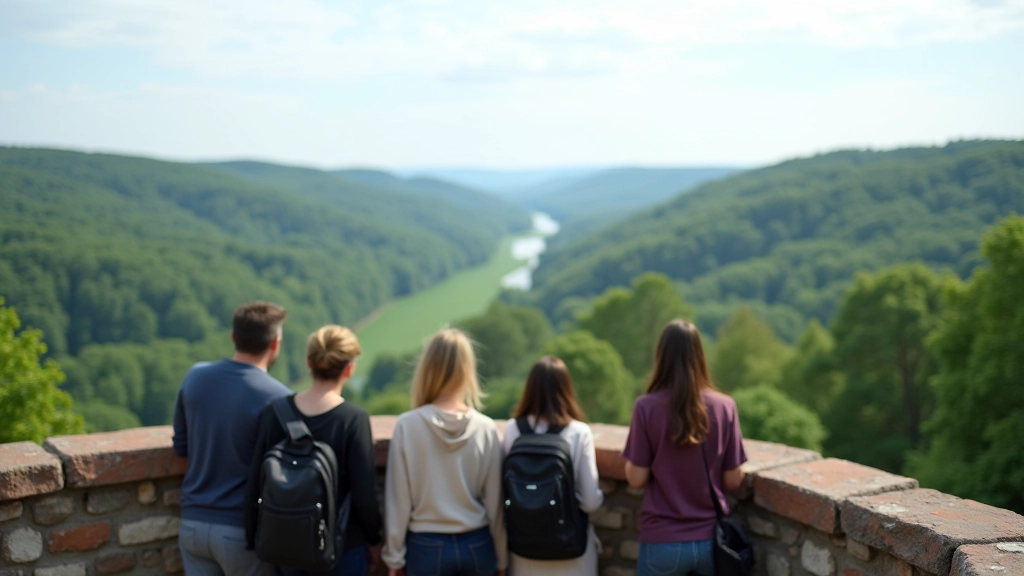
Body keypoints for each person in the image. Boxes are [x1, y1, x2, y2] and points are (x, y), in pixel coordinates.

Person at [245, 325, 383, 575]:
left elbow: (256, 482)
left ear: (309, 362)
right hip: (341, 547)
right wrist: (374, 541)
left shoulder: (275, 412)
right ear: (349, 369)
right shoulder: (353, 419)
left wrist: (253, 535)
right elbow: (365, 496)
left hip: (286, 544)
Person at [173, 301, 292, 576]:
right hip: (241, 531)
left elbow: (181, 447)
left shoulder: (194, 377)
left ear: (233, 337)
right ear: (275, 343)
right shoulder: (279, 398)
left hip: (191, 525)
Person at [622, 320, 747, 576]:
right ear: (700, 355)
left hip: (662, 541)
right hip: (713, 542)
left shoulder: (646, 407)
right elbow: (734, 479)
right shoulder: (725, 406)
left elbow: (636, 479)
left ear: (662, 356)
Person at [382, 328, 508, 576]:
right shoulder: (485, 428)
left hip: (426, 547)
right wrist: (502, 560)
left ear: (427, 368)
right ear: (467, 369)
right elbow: (495, 505)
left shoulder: (408, 425)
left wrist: (394, 558)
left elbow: (398, 501)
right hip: (478, 545)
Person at [501, 356, 604, 576]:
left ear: (530, 388)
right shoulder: (579, 432)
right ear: (566, 388)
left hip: (524, 550)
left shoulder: (512, 430)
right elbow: (590, 502)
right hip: (570, 550)